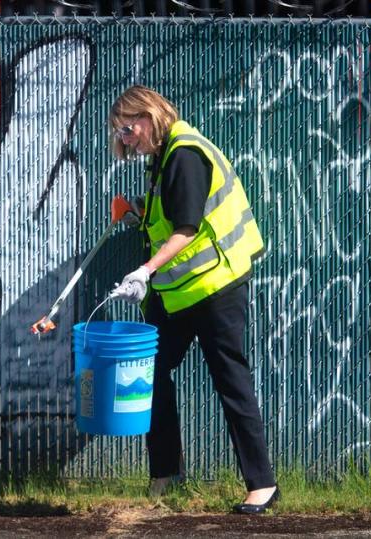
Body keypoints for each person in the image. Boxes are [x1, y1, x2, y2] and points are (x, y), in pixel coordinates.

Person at [108, 85, 279, 514]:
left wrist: (144, 271)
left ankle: (262, 485)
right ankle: (166, 474)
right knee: (152, 369)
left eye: (129, 129)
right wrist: (135, 211)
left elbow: (186, 229)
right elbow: (169, 215)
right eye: (121, 133)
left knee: (230, 379)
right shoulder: (163, 158)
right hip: (179, 291)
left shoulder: (184, 152)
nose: (127, 139)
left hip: (216, 285)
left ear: (149, 115)